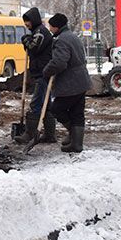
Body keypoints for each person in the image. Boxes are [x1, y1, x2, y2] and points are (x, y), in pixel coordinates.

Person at [42, 13, 92, 153]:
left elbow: (59, 62)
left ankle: (73, 135)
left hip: (71, 82)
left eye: (51, 26)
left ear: (56, 26)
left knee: (57, 109)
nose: (50, 29)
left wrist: (47, 71)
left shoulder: (61, 40)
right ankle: (76, 143)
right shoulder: (72, 36)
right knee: (77, 112)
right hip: (81, 80)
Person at [14, 7, 57, 145]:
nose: (26, 24)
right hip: (42, 72)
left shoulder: (41, 33)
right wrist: (27, 39)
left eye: (27, 21)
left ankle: (29, 134)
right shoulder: (36, 32)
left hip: (43, 73)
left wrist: (26, 40)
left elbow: (33, 47)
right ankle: (50, 135)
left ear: (33, 20)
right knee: (47, 105)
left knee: (37, 103)